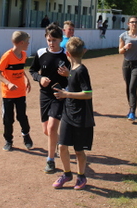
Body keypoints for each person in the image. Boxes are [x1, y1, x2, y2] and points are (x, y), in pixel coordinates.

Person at [51, 37, 94, 190]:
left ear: (67, 54)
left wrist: (66, 94)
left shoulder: (82, 70)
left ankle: (81, 176)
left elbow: (88, 94)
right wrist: (68, 76)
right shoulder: (74, 70)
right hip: (68, 114)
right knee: (62, 146)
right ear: (83, 51)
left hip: (80, 116)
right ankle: (67, 174)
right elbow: (75, 84)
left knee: (78, 150)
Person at [30, 23, 70, 173]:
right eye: (48, 40)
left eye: (54, 40)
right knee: (46, 130)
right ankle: (59, 142)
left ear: (60, 39)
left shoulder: (67, 54)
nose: (51, 43)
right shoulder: (41, 53)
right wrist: (40, 78)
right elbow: (32, 70)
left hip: (60, 95)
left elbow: (76, 74)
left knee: (52, 127)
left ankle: (50, 160)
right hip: (45, 95)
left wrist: (68, 74)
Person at [0, 31, 33, 152]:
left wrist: (26, 79)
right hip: (8, 94)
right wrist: (8, 83)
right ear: (21, 43)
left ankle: (26, 135)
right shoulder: (7, 56)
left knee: (22, 116)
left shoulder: (24, 55)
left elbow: (20, 70)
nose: (28, 43)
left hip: (20, 92)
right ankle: (8, 140)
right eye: (27, 42)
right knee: (8, 119)